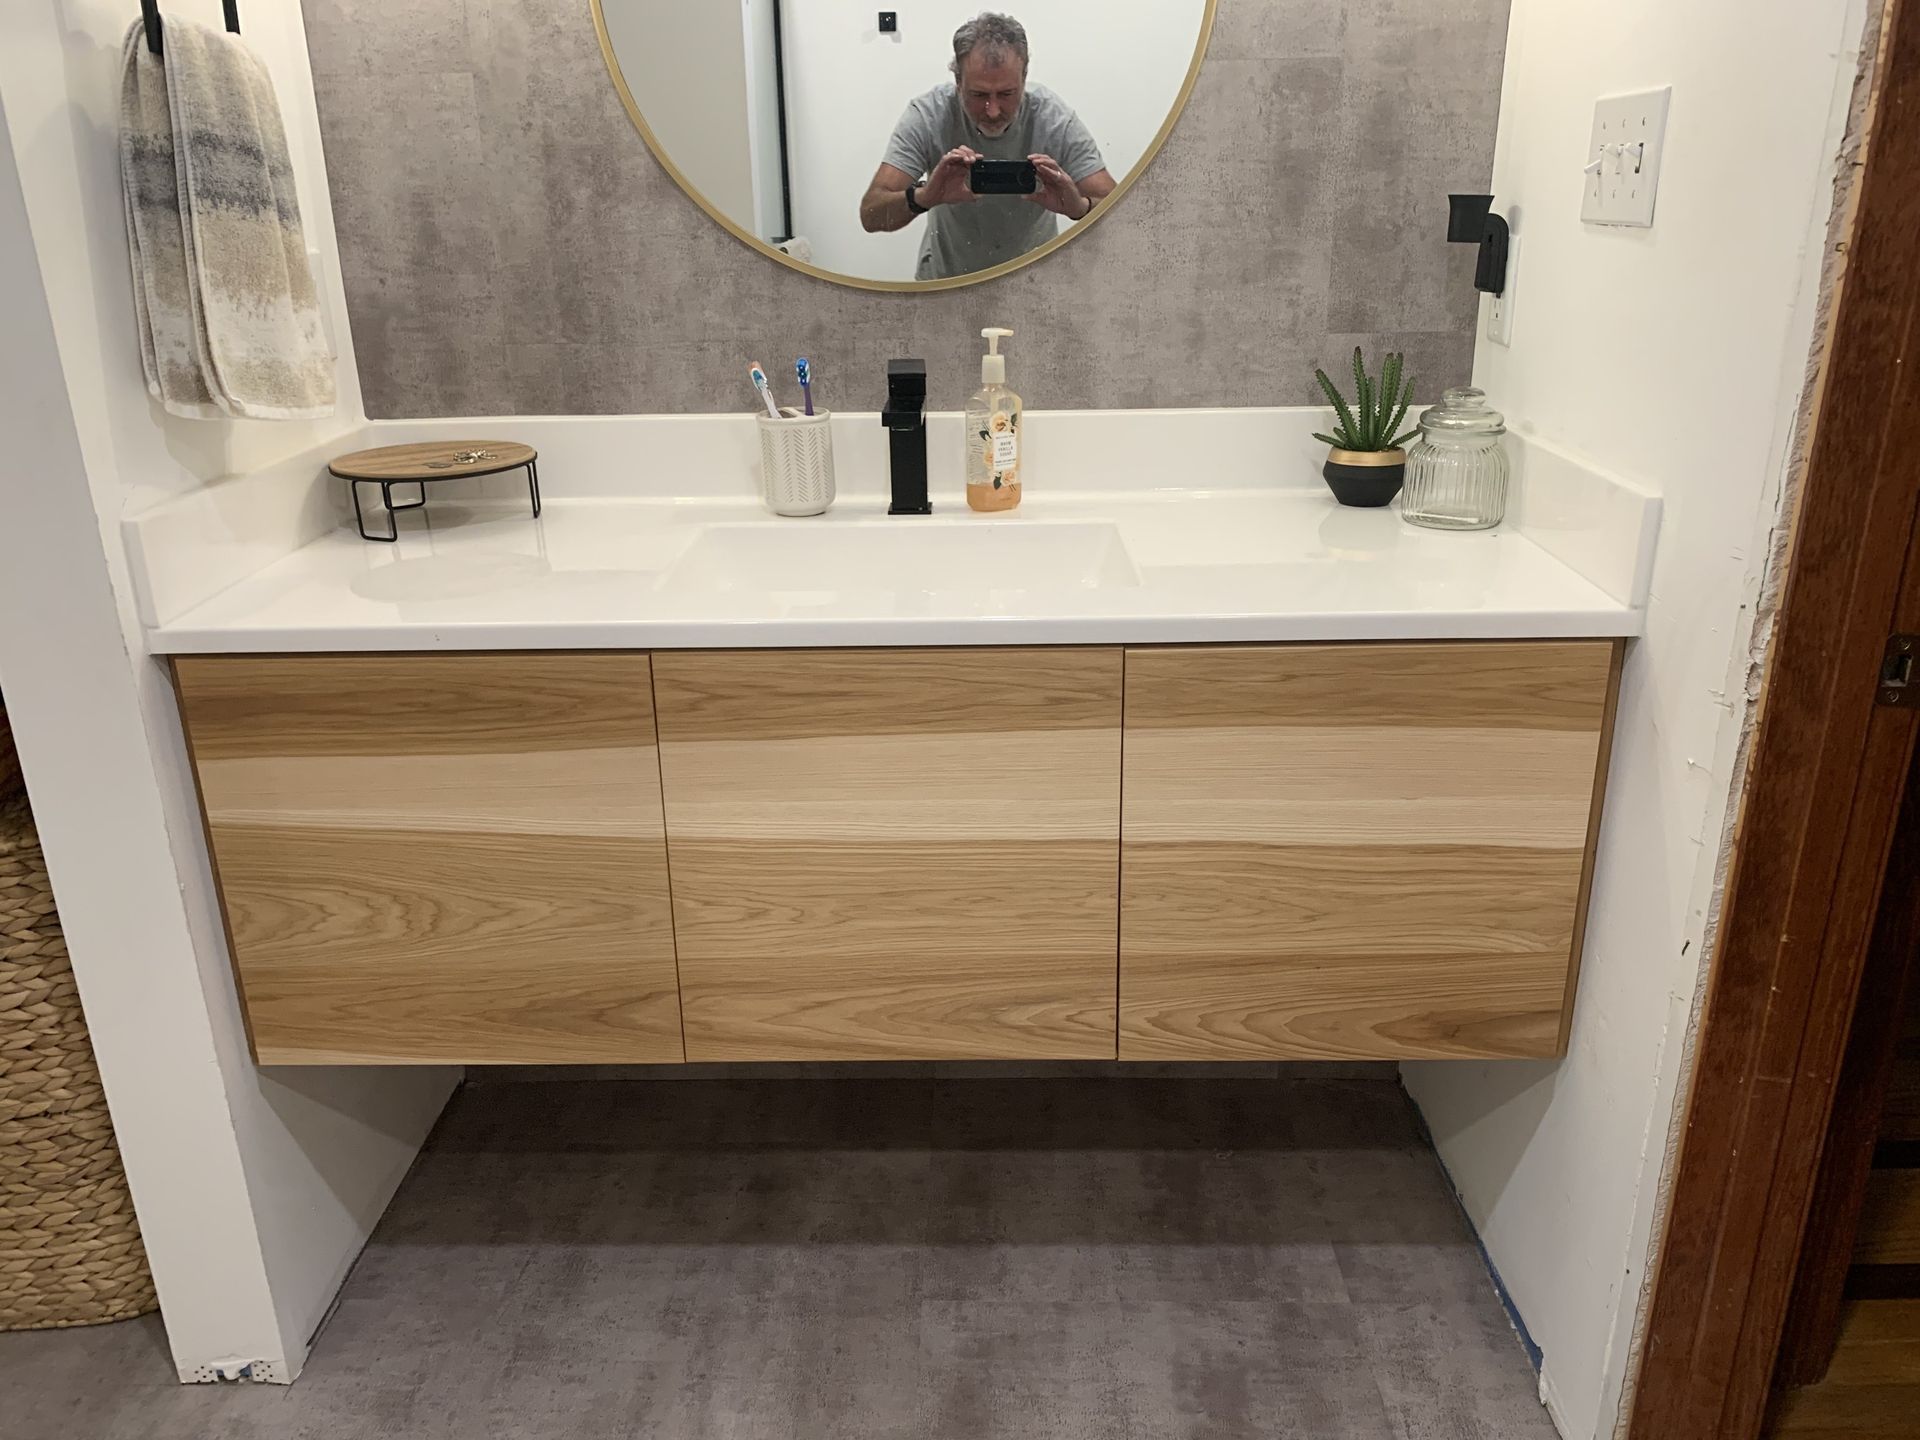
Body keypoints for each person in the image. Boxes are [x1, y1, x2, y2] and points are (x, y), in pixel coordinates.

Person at [859, 12, 1115, 281]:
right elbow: (870, 214)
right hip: (946, 288)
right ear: (958, 83)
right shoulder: (928, 115)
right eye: (978, 95)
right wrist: (924, 197)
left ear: (1024, 79)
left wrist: (1080, 208)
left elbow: (1124, 215)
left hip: (1035, 288)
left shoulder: (1054, 120)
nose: (992, 111)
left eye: (1006, 94)